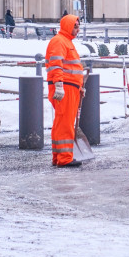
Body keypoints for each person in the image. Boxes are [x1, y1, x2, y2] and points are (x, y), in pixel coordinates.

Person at [46, 15, 85, 168]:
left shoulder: (65, 42)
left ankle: (58, 156)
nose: (77, 29)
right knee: (65, 123)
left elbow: (71, 68)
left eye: (78, 26)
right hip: (65, 88)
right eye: (75, 26)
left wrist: (79, 87)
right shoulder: (59, 41)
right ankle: (64, 158)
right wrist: (59, 85)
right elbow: (56, 65)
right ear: (67, 26)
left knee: (61, 122)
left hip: (70, 88)